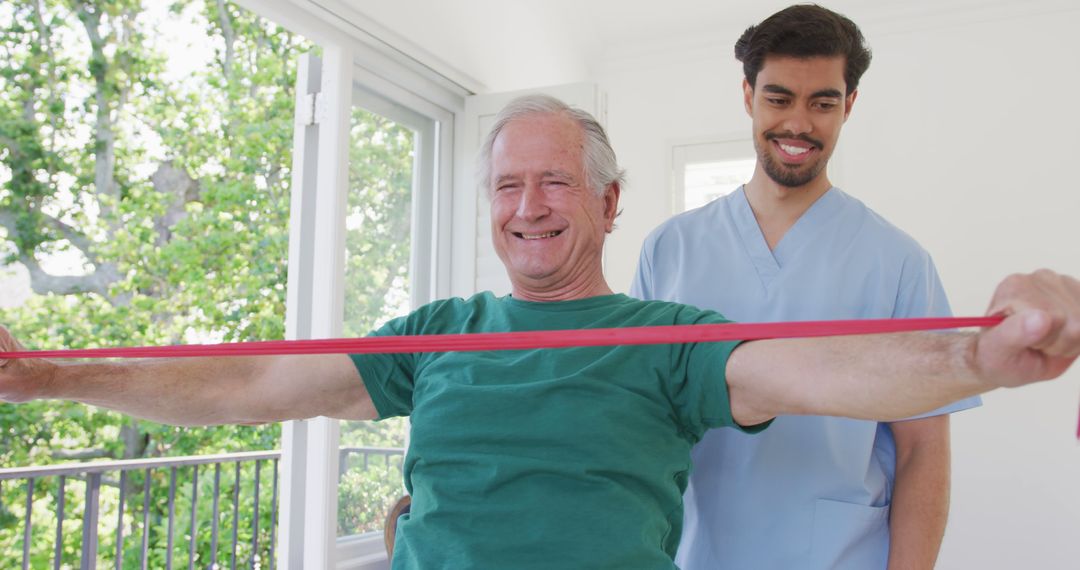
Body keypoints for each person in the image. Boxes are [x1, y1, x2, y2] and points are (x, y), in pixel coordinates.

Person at [2, 94, 1079, 570]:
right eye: (508, 184)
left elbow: (826, 370)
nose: (528, 206)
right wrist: (50, 378)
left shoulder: (671, 339)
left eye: (556, 181)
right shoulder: (442, 332)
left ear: (609, 205)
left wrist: (982, 352)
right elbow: (250, 389)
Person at [631, 5, 972, 568]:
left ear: (850, 105)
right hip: (696, 552)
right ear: (748, 96)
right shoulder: (669, 249)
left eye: (823, 103)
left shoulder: (899, 262)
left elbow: (924, 451)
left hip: (842, 555)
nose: (798, 124)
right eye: (779, 98)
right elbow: (641, 421)